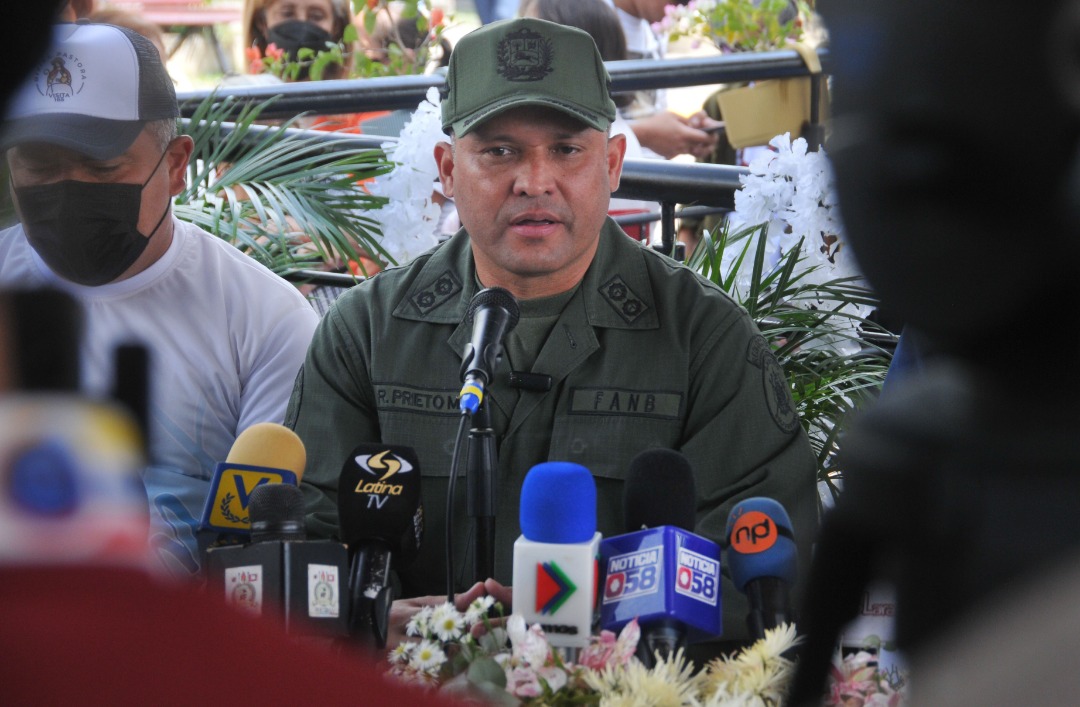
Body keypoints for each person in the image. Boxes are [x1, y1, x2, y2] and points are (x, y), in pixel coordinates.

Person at [285, 17, 818, 653]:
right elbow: (306, 543)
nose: (534, 180)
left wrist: (592, 627)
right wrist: (372, 616)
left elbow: (763, 573)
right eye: (499, 150)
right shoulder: (368, 332)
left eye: (566, 149)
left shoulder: (703, 339)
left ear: (613, 163)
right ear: (448, 170)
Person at [0, 22, 320, 579]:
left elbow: (264, 550)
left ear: (174, 166)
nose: (68, 190)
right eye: (39, 166)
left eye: (101, 169)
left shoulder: (264, 318)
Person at [242, 0, 357, 81]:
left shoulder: (361, 110)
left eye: (316, 16)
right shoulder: (239, 108)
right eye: (287, 14)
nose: (302, 23)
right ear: (261, 22)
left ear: (336, 26)